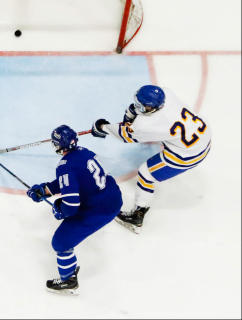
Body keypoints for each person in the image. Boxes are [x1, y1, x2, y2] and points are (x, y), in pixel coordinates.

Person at [91, 85, 212, 233]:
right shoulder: (166, 93)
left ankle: (138, 215)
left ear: (152, 107)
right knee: (157, 134)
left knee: (146, 174)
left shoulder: (146, 125)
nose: (137, 106)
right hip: (203, 135)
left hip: (188, 154)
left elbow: (125, 135)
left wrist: (103, 127)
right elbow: (137, 118)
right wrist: (132, 113)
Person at [26, 125, 122, 295]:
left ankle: (68, 280)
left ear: (57, 145)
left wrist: (60, 211)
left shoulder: (64, 166)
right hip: (114, 197)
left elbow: (70, 207)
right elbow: (75, 179)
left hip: (100, 209)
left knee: (61, 243)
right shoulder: (85, 151)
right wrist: (46, 190)